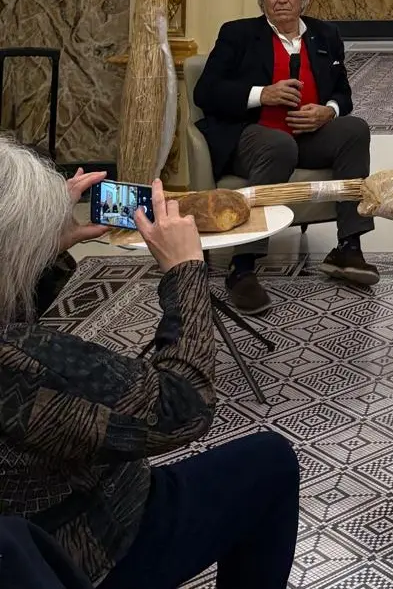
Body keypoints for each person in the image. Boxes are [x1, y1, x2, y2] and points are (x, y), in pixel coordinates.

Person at [0, 137, 299, 589]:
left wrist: (45, 247)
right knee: (271, 462)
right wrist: (185, 271)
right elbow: (182, 406)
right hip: (82, 547)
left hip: (32, 521)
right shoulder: (21, 362)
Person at [194, 0, 377, 315]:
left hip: (307, 136)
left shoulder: (325, 35)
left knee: (355, 129)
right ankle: (242, 266)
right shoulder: (237, 34)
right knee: (279, 145)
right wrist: (262, 94)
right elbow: (206, 92)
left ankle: (348, 248)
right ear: (262, 0)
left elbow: (343, 94)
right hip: (252, 137)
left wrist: (328, 111)